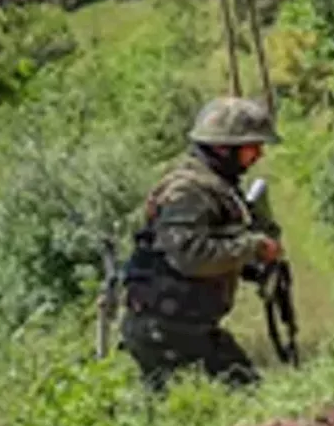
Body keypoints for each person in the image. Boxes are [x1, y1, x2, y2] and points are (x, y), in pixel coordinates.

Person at [119, 96, 284, 392]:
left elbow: (208, 245)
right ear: (224, 148)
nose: (258, 154)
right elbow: (190, 256)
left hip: (181, 326)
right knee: (247, 397)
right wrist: (253, 247)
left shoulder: (214, 185)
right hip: (167, 330)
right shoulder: (189, 189)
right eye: (252, 146)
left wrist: (250, 262)